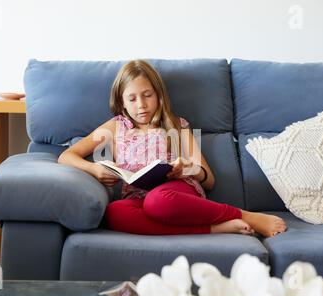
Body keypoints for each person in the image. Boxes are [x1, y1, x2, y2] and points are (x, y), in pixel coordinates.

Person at [58, 60, 287, 237]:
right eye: (132, 98)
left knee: (158, 201)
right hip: (138, 198)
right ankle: (216, 228)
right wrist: (94, 169)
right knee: (113, 213)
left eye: (147, 95)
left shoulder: (176, 125)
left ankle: (245, 215)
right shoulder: (114, 127)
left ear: (158, 95)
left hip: (175, 192)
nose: (142, 105)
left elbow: (209, 180)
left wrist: (188, 169)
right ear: (122, 102)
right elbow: (67, 156)